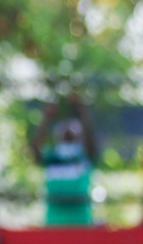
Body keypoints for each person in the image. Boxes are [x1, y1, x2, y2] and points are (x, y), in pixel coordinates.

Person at [29, 95, 98, 227]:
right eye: (64, 129)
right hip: (54, 222)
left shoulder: (84, 157)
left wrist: (82, 110)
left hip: (81, 223)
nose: (68, 131)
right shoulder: (52, 157)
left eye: (72, 129)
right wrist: (46, 119)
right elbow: (35, 149)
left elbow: (91, 142)